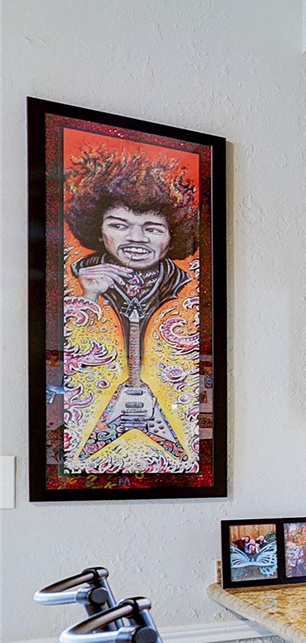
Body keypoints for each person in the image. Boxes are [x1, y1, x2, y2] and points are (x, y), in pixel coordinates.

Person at [63, 148, 198, 464]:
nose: (136, 238)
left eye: (152, 228)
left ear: (172, 236)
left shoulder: (184, 286)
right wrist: (89, 298)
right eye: (119, 225)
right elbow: (64, 365)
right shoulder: (74, 279)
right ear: (99, 230)